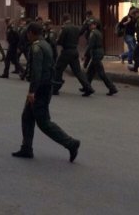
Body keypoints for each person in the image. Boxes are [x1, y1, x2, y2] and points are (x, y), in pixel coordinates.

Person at [11, 22, 80, 162]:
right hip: (45, 86)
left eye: (27, 34)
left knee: (44, 122)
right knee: (27, 117)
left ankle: (71, 143)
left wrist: (32, 92)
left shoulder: (36, 47)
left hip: (40, 89)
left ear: (31, 33)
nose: (27, 37)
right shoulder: (46, 44)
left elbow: (37, 72)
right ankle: (26, 148)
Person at [52, 13, 94, 96]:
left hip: (66, 52)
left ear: (63, 20)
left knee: (58, 69)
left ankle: (56, 88)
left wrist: (55, 41)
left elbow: (60, 41)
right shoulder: (76, 28)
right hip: (75, 51)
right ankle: (88, 88)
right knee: (78, 71)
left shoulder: (64, 28)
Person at [83, 19, 118, 96]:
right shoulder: (99, 32)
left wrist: (85, 54)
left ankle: (112, 88)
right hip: (98, 52)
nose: (89, 26)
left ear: (95, 25)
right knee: (90, 72)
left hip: (96, 53)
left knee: (101, 73)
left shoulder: (93, 33)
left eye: (91, 25)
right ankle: (86, 87)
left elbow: (90, 45)